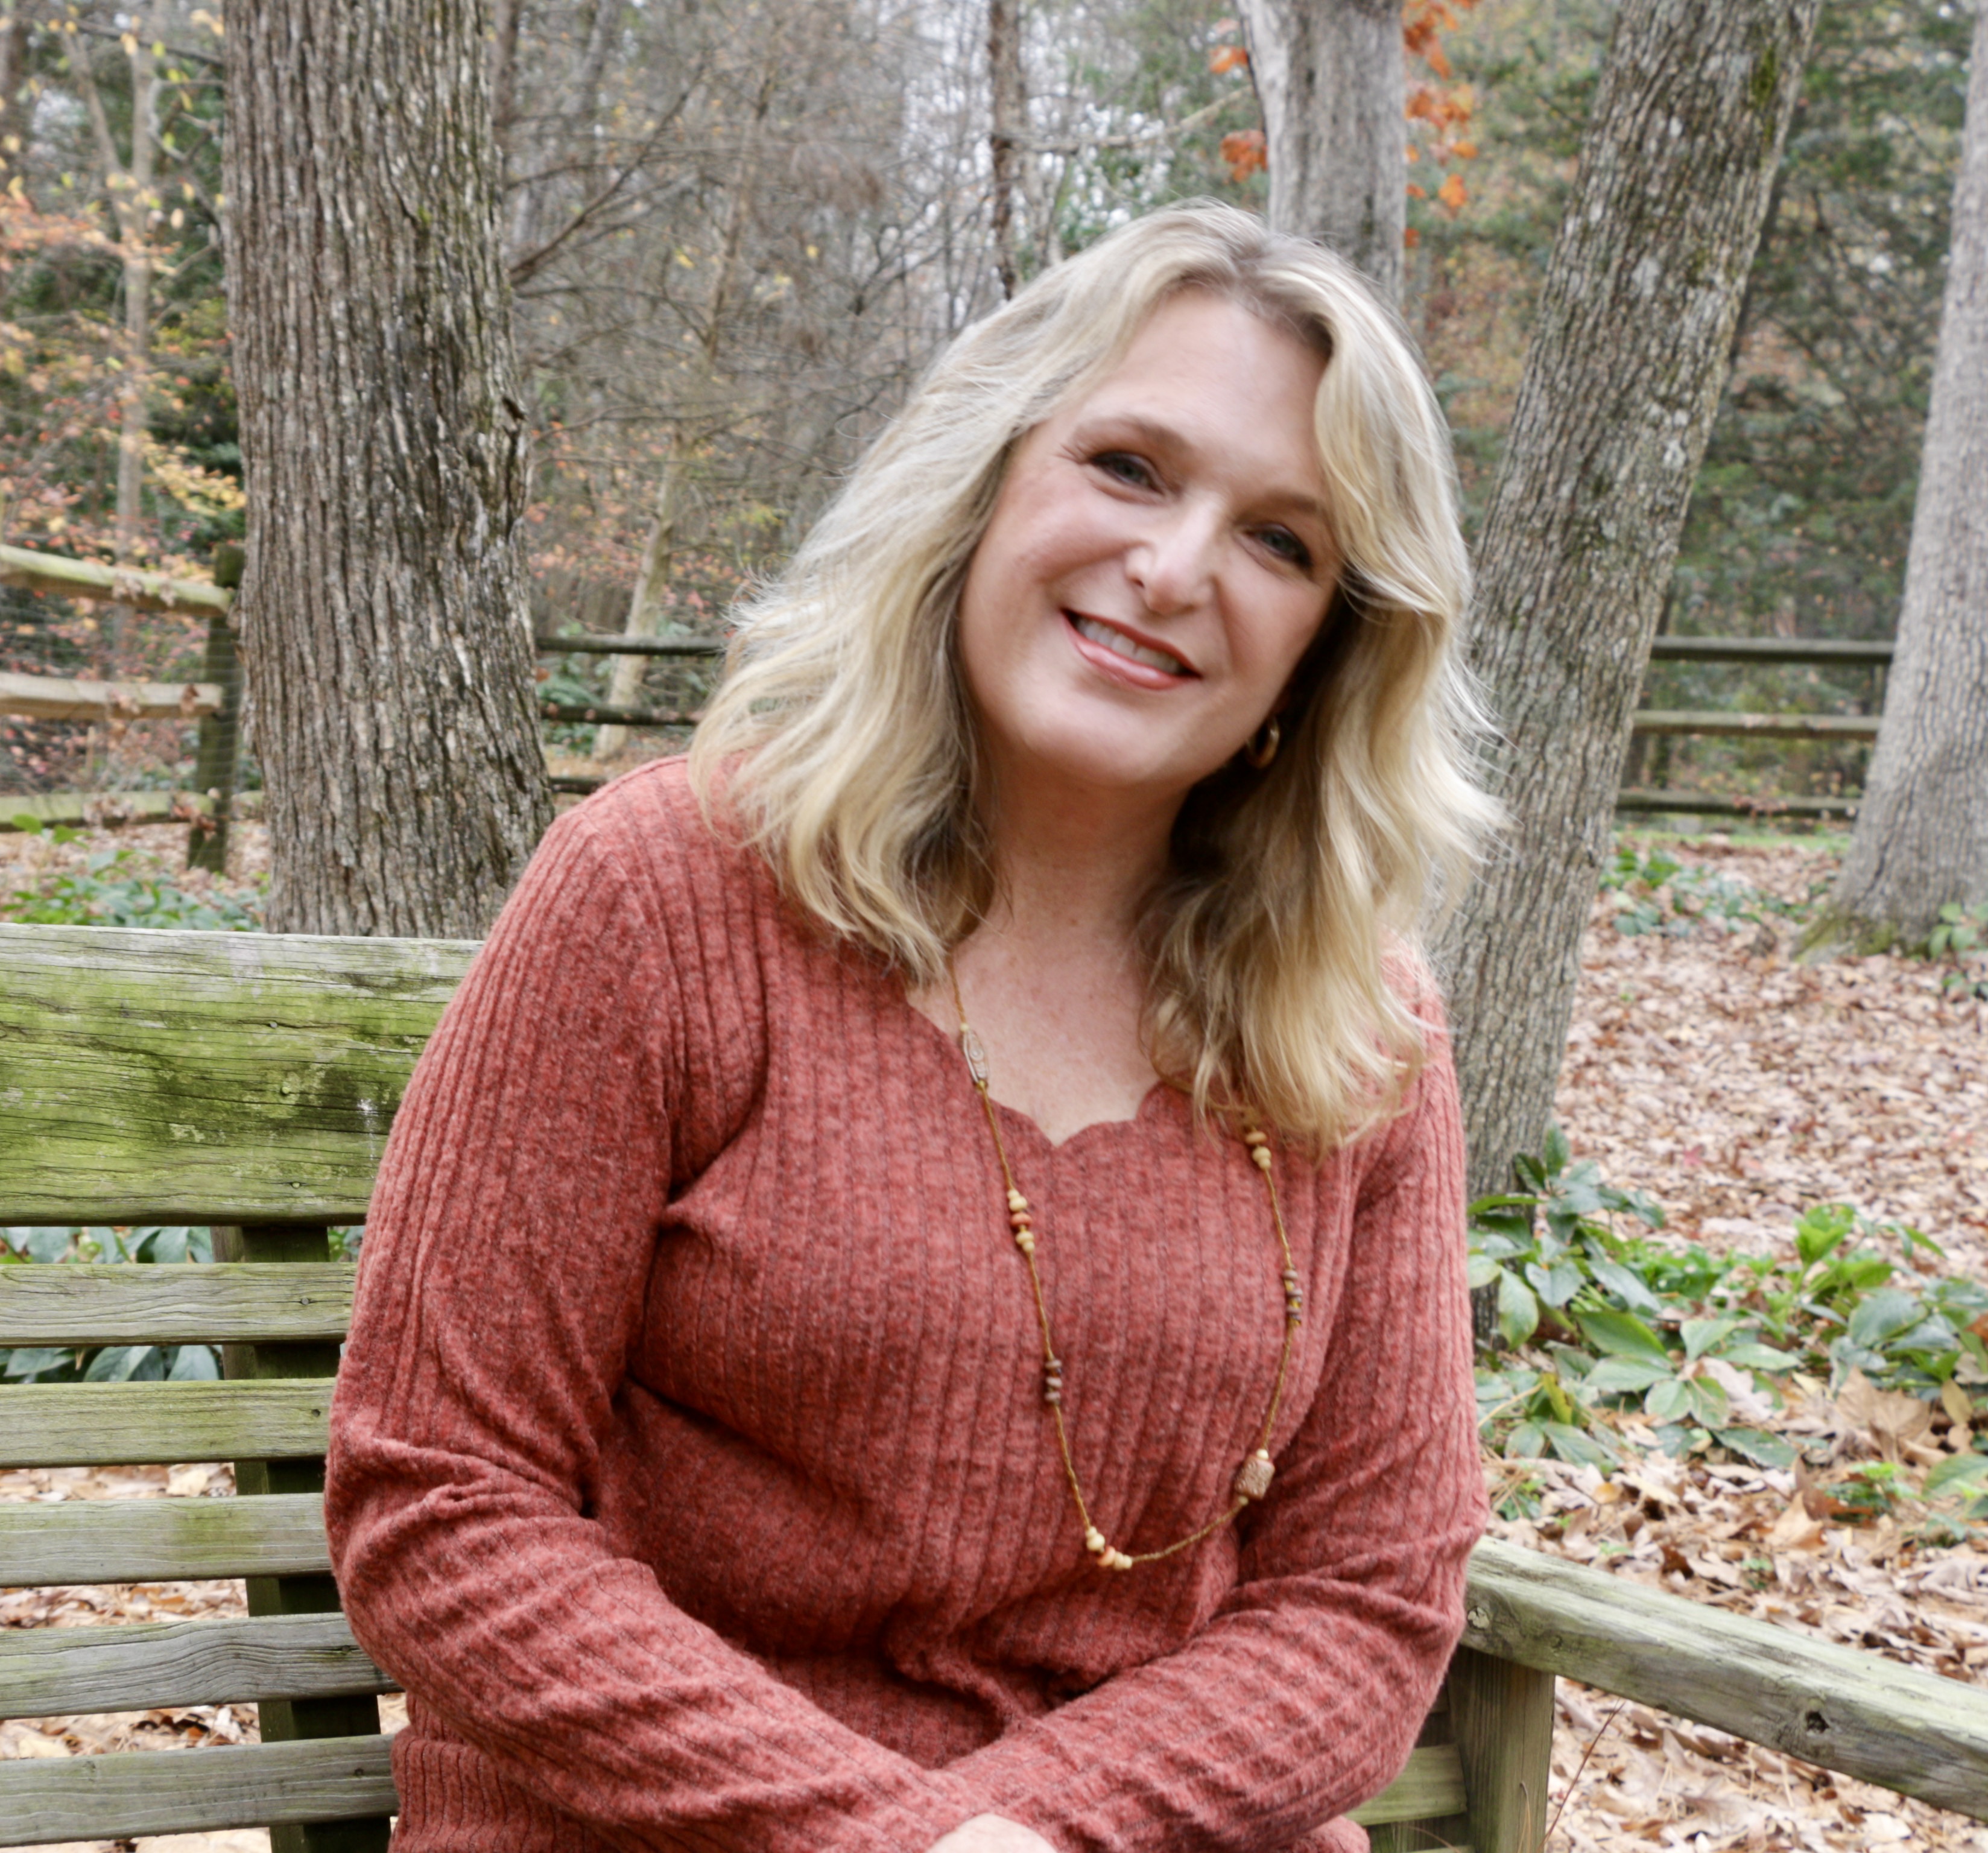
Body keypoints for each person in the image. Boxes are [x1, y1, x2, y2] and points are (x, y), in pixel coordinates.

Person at [324, 201, 1503, 1853]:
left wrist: (1025, 1834)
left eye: (1281, 541)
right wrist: (896, 1842)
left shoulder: (1354, 1027)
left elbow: (1369, 1601)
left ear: (1328, 652)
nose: (1173, 569)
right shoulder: (662, 898)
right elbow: (438, 1505)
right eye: (1130, 467)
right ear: (987, 479)